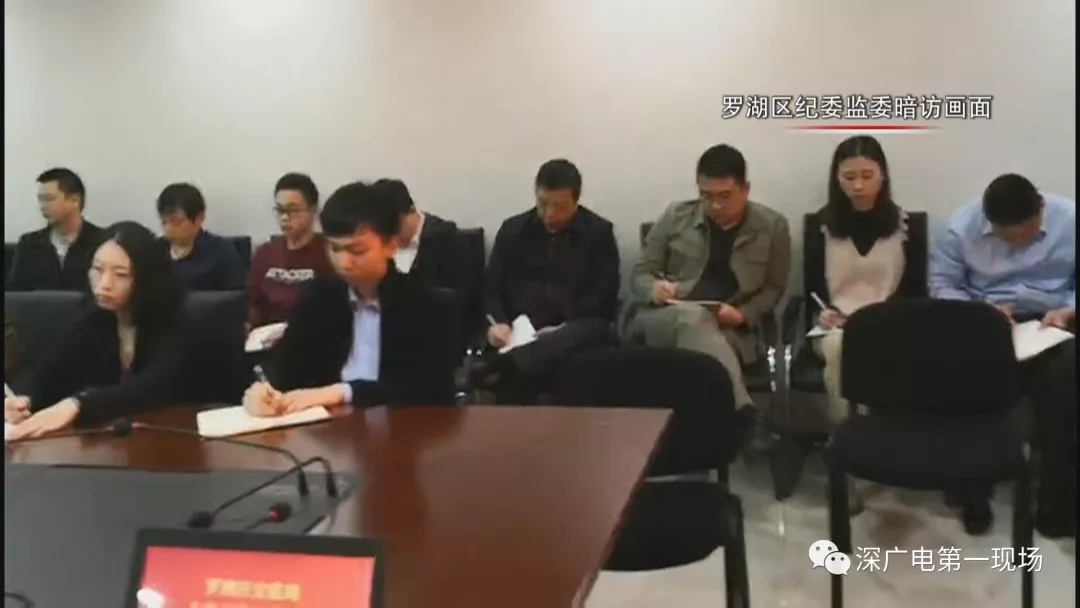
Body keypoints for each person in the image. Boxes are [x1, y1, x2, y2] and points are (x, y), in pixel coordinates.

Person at [930, 173, 1076, 536]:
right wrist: (981, 313)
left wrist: (1068, 311)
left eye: (1027, 235)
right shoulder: (962, 228)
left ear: (1041, 209)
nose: (1017, 245)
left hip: (1052, 320)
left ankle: (1056, 503)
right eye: (1006, 238)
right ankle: (973, 494)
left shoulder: (1070, 220)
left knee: (1064, 383)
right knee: (966, 381)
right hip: (987, 320)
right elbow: (942, 284)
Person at [241, 181, 461, 416]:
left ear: (391, 246)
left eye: (357, 251)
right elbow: (285, 365)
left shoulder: (427, 305)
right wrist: (264, 390)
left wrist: (345, 392)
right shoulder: (321, 297)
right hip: (327, 426)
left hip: (400, 426)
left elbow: (431, 391)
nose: (343, 263)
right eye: (335, 249)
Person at [622, 144, 791, 408]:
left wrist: (743, 315)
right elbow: (641, 272)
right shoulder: (675, 216)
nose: (715, 205)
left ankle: (696, 428)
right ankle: (743, 413)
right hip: (666, 317)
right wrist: (653, 288)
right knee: (694, 318)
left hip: (729, 327)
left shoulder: (772, 226)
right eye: (706, 196)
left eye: (725, 196)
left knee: (704, 356)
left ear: (745, 190)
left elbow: (774, 287)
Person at [5, 222, 201, 439]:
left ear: (146, 279)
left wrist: (78, 404)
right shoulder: (93, 319)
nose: (104, 284)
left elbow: (151, 388)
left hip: (173, 439)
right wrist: (24, 399)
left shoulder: (177, 323)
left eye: (121, 274)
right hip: (110, 443)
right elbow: (47, 373)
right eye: (97, 270)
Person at [805, 136, 928, 424]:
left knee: (878, 346)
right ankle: (846, 431)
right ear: (837, 179)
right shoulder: (820, 226)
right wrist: (823, 313)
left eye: (867, 175)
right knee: (838, 346)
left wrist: (887, 316)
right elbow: (813, 289)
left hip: (890, 321)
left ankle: (881, 429)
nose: (858, 186)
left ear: (882, 175)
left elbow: (915, 290)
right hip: (835, 325)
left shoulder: (905, 226)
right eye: (849, 177)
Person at [481, 159, 620, 404]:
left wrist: (562, 329)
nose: (550, 214)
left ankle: (508, 364)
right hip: (520, 329)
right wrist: (498, 324)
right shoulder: (514, 230)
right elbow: (490, 287)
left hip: (574, 326)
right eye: (543, 204)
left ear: (576, 200)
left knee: (591, 330)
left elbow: (605, 295)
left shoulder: (598, 233)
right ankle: (519, 360)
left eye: (560, 206)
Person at [245, 173, 336, 331]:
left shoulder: (330, 251)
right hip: (268, 334)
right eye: (280, 210)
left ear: (313, 211)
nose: (285, 218)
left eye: (293, 210)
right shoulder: (265, 253)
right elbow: (253, 301)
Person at [7, 168, 106, 291]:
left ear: (74, 200)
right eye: (40, 199)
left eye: (49, 199)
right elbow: (16, 294)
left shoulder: (103, 242)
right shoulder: (28, 243)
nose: (43, 206)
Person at [377, 178, 471, 309]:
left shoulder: (447, 240)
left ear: (411, 210)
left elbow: (460, 300)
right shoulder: (377, 244)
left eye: (393, 226)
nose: (389, 235)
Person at [157, 182, 246, 291]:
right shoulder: (155, 251)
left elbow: (236, 297)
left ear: (199, 218)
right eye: (164, 222)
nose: (168, 229)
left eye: (176, 222)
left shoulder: (222, 253)